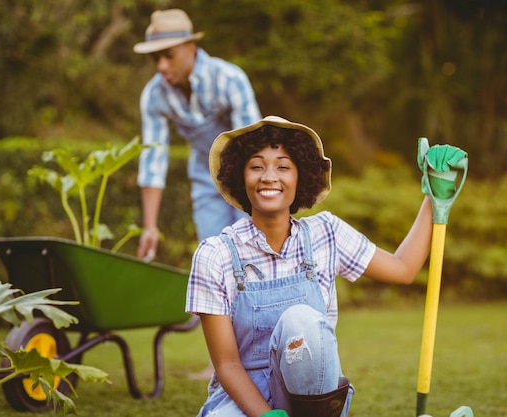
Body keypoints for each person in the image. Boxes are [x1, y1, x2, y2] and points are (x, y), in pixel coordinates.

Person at [185, 116, 460, 417]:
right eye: (256, 166)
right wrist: (265, 415)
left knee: (300, 320)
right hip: (241, 400)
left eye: (283, 166)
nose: (268, 176)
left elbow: (403, 268)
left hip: (312, 400)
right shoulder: (215, 254)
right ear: (241, 176)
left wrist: (433, 195)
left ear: (301, 176)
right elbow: (227, 364)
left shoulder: (325, 234)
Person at [133, 8, 262, 261]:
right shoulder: (154, 96)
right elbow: (153, 161)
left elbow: (254, 147)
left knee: (252, 255)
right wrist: (150, 226)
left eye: (168, 56)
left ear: (190, 47)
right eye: (155, 58)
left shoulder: (229, 79)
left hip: (247, 174)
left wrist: (259, 204)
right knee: (214, 257)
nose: (161, 66)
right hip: (206, 176)